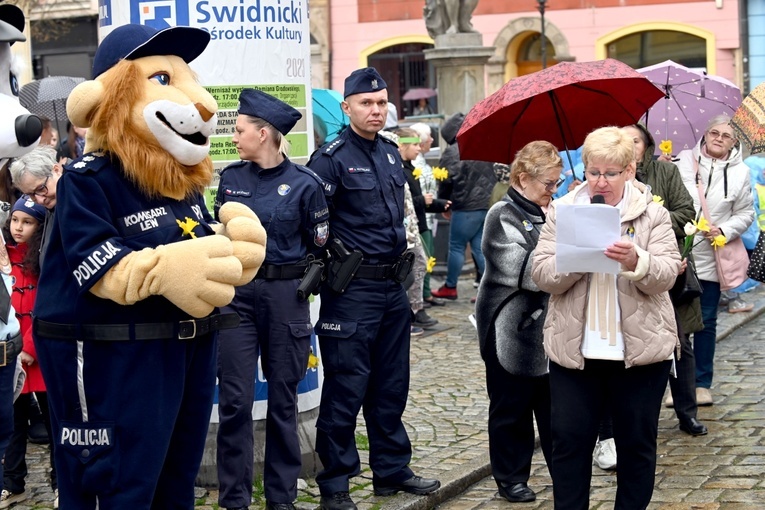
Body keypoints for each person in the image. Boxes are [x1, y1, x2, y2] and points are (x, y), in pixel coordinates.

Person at [307, 67, 440, 510]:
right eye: (366, 103)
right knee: (346, 388)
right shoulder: (330, 158)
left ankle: (391, 469)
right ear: (347, 108)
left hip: (392, 287)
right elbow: (312, 227)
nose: (376, 110)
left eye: (382, 103)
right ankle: (336, 483)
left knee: (390, 385)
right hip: (352, 292)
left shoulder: (388, 154)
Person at [532, 126, 681, 509]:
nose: (600, 181)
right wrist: (575, 260)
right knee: (568, 442)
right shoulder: (563, 210)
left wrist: (637, 261)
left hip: (640, 353)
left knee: (636, 445)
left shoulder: (653, 214)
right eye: (593, 171)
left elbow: (665, 274)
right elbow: (542, 274)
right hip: (576, 352)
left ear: (629, 170)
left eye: (610, 173)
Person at [214, 89, 329, 510]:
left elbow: (319, 248)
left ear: (264, 133)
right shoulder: (231, 179)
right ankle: (234, 498)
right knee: (235, 400)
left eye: (240, 131)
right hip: (237, 297)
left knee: (283, 399)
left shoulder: (306, 185)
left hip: (285, 296)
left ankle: (281, 496)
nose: (235, 138)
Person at [476, 141, 561, 503]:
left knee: (555, 407)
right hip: (509, 328)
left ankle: (565, 471)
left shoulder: (553, 211)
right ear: (523, 179)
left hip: (550, 327)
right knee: (511, 406)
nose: (553, 191)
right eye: (548, 184)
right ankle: (510, 476)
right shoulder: (502, 213)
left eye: (557, 183)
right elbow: (524, 270)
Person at [624, 124, 708, 436]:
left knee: (680, 341)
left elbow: (686, 213)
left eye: (634, 139)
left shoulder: (665, 172)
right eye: (622, 140)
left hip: (669, 269)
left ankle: (687, 413)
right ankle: (638, 419)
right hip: (627, 275)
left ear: (646, 144)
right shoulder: (610, 179)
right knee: (634, 346)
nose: (628, 145)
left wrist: (651, 217)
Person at [675, 114, 754, 406]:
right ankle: (678, 384)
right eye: (714, 132)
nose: (719, 138)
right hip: (680, 253)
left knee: (706, 321)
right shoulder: (681, 161)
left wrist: (726, 229)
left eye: (726, 135)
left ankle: (701, 383)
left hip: (712, 255)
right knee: (675, 323)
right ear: (705, 134)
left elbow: (745, 213)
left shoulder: (740, 172)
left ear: (734, 142)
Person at [0, 196, 57, 509]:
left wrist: (30, 348)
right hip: (12, 357)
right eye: (15, 220)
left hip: (41, 356)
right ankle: (13, 485)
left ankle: (62, 483)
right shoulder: (4, 258)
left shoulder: (45, 260)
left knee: (54, 423)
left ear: (40, 226)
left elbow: (45, 309)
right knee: (14, 425)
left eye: (27, 221)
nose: (19, 227)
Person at [431, 112, 496, 300]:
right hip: (485, 204)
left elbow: (444, 181)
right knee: (478, 248)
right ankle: (488, 288)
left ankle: (450, 287)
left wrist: (443, 205)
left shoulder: (451, 152)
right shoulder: (483, 145)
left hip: (465, 206)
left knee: (456, 247)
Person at [396, 127, 449, 328]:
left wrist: (438, 203)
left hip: (418, 223)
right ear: (403, 146)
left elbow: (416, 200)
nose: (419, 149)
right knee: (414, 268)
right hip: (408, 228)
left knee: (421, 265)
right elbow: (406, 201)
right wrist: (423, 201)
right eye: (415, 144)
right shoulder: (400, 170)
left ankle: (416, 308)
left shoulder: (410, 168)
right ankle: (411, 310)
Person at [8, 145, 63, 267]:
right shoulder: (51, 207)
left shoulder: (79, 196)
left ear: (56, 170)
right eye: (30, 194)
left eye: (41, 188)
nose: (40, 199)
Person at [409, 123, 444, 307]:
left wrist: (440, 205)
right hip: (421, 218)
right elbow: (419, 195)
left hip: (429, 217)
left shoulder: (421, 161)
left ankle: (426, 293)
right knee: (423, 259)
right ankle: (422, 297)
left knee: (428, 257)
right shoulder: (414, 164)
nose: (431, 139)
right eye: (429, 136)